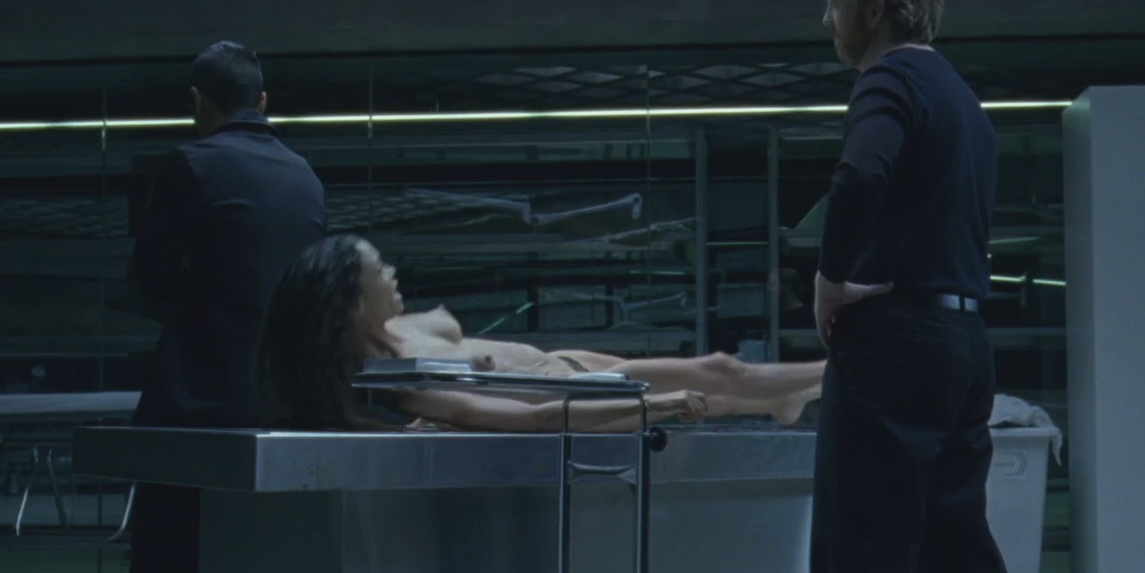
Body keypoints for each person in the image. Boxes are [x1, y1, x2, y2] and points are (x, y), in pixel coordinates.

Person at [741, 0, 1029, 573]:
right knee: (960, 564)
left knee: (860, 566)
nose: (825, 19)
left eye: (833, 2)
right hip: (962, 343)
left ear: (870, 8)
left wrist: (831, 279)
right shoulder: (962, 99)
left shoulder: (889, 80)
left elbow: (860, 172)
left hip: (894, 343)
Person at [78, 43, 326, 573]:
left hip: (196, 401)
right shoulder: (304, 176)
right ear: (264, 101)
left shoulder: (192, 165)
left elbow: (150, 280)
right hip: (276, 401)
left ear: (197, 101)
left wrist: (194, 274)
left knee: (168, 563)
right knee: (246, 566)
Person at [255, 234, 826, 432]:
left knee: (719, 385)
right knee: (721, 374)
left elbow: (445, 325)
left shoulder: (397, 333)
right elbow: (534, 419)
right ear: (355, 306)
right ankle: (843, 367)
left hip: (566, 364)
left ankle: (782, 398)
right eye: (378, 270)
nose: (392, 272)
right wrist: (654, 403)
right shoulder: (404, 384)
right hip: (579, 398)